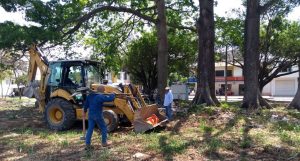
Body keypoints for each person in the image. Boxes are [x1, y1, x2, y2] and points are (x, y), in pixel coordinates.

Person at [83, 85, 115, 150]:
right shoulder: (100, 96)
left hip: (91, 115)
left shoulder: (90, 96)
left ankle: (87, 144)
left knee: (90, 129)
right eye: (104, 91)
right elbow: (110, 99)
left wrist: (85, 110)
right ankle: (104, 142)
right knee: (103, 128)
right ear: (102, 91)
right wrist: (113, 94)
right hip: (98, 115)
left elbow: (86, 105)